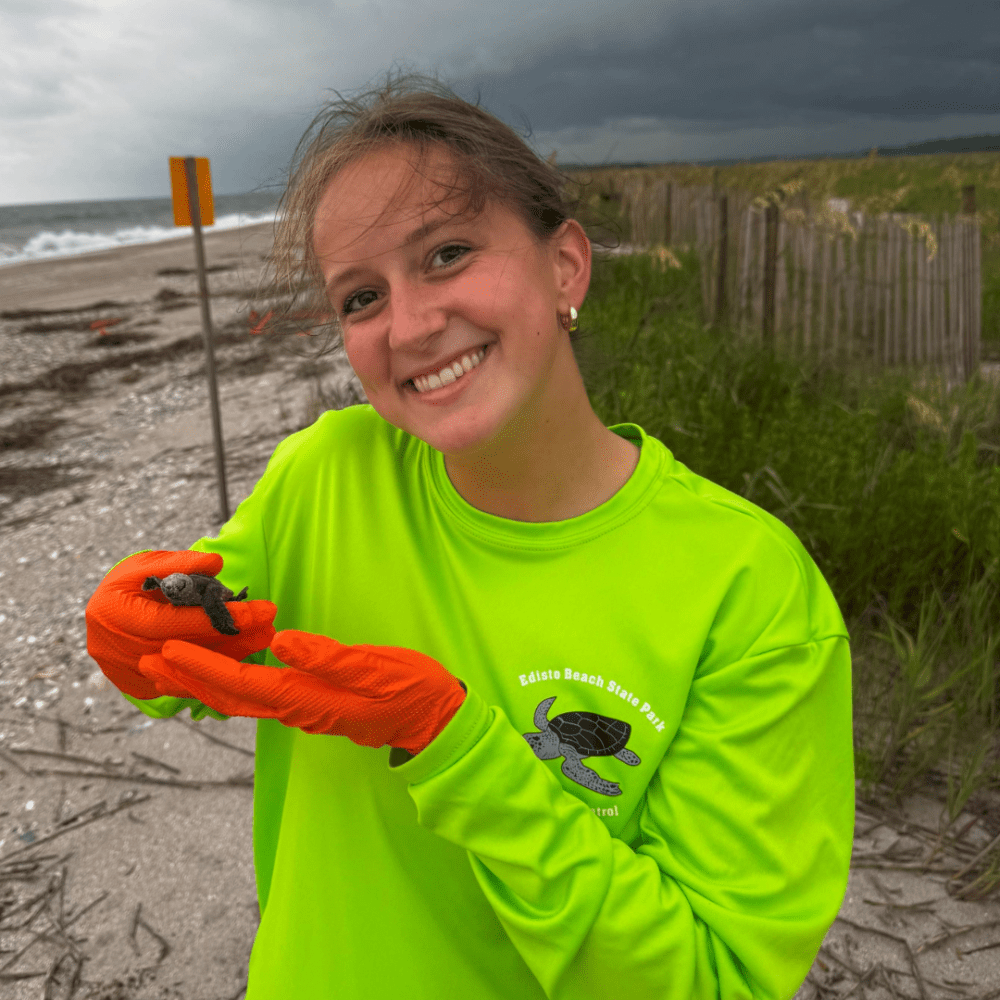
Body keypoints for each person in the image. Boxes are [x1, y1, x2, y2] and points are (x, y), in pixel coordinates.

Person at [86, 70, 855, 1000]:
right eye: (359, 298)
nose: (408, 324)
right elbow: (196, 664)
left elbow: (714, 977)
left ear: (565, 264)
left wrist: (454, 746)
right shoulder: (327, 475)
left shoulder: (747, 589)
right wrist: (134, 635)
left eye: (447, 253)